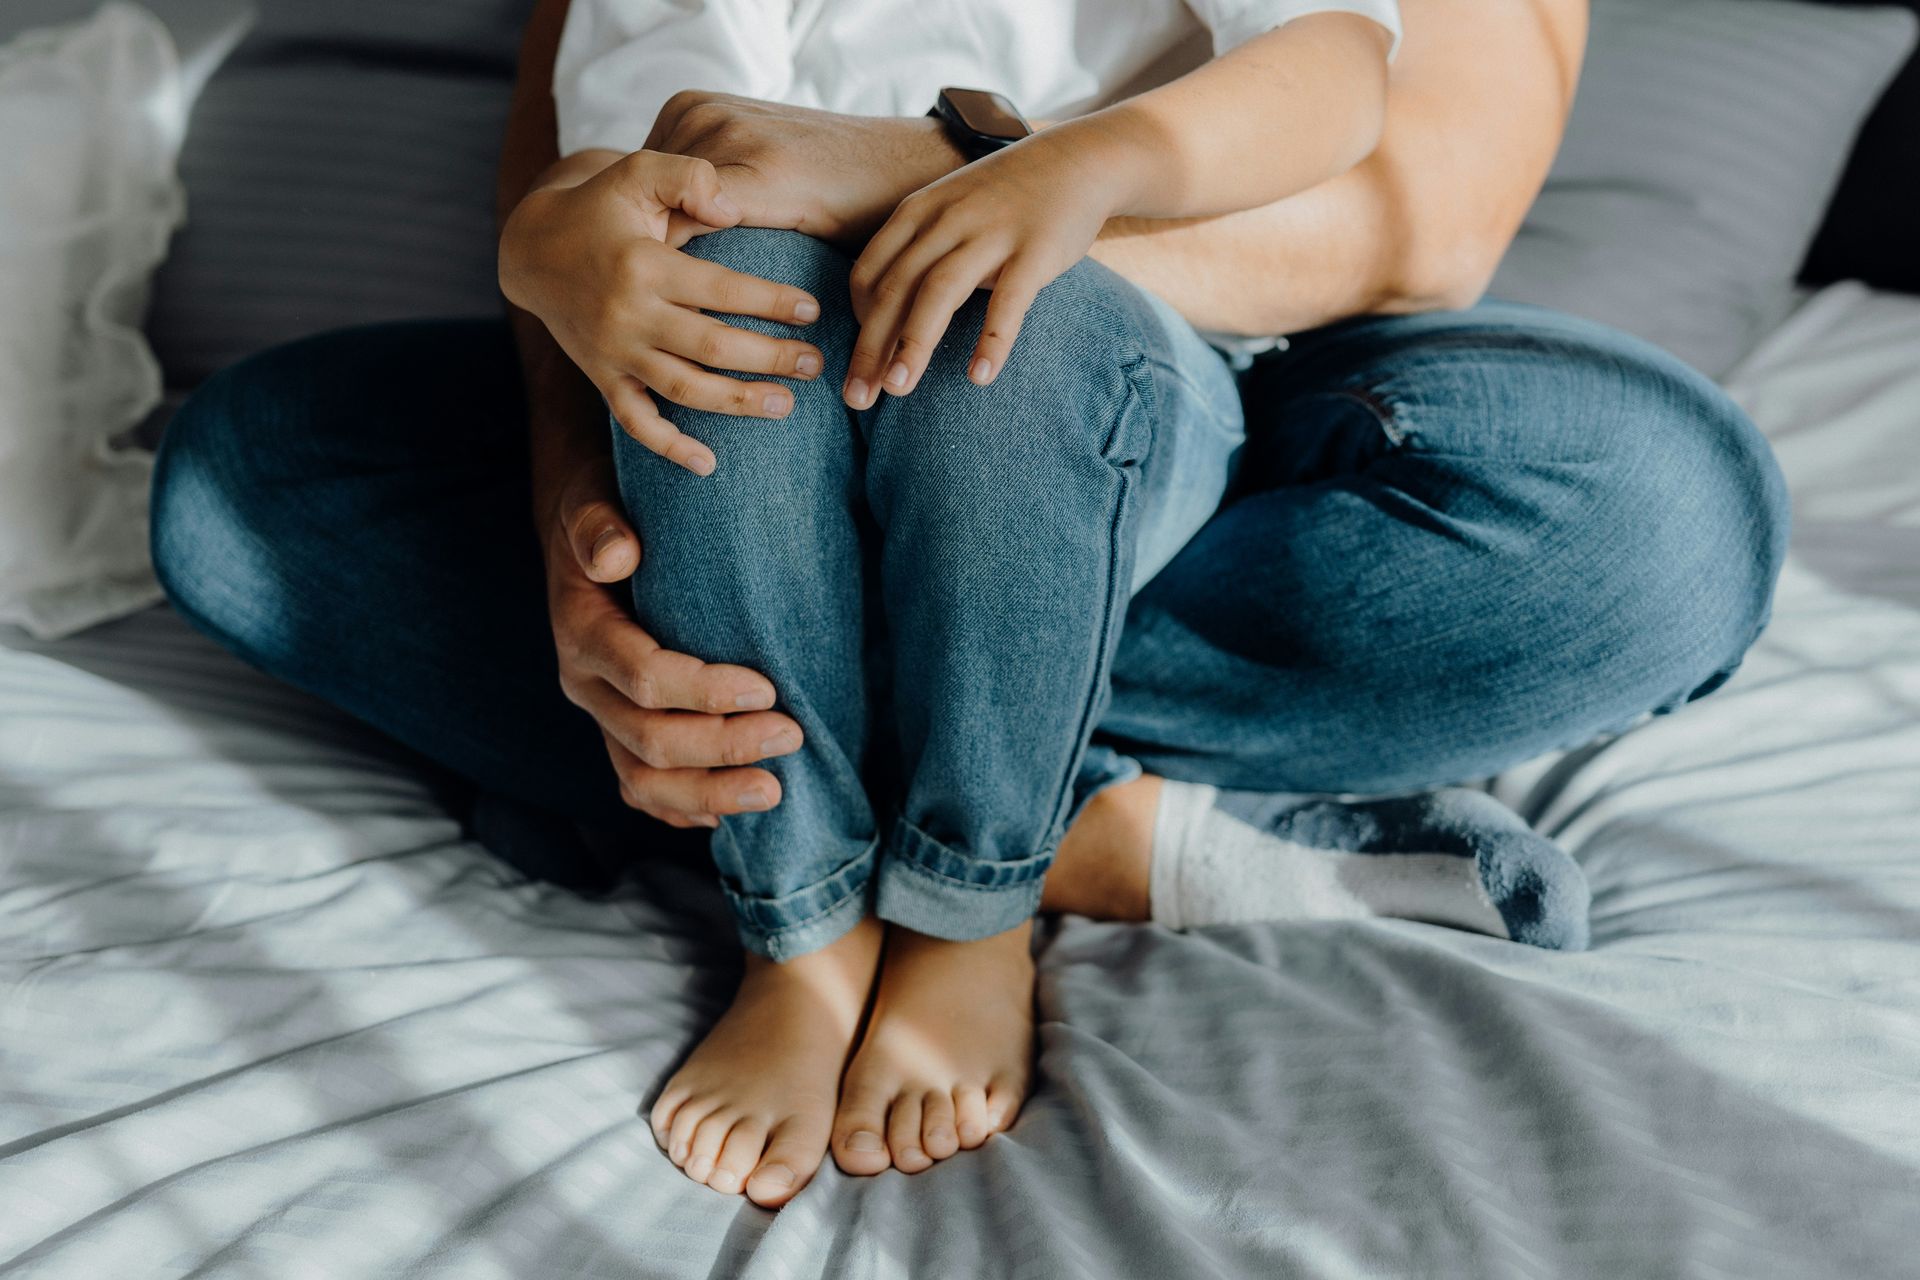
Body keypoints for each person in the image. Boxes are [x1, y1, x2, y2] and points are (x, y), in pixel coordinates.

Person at [147, 0, 1790, 1214]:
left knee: (1655, 506)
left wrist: (990, 179)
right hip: (787, 385)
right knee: (247, 481)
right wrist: (565, 313)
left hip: (1164, 351)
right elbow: (633, 155)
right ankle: (855, 901)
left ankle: (962, 881)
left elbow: (1385, 160)